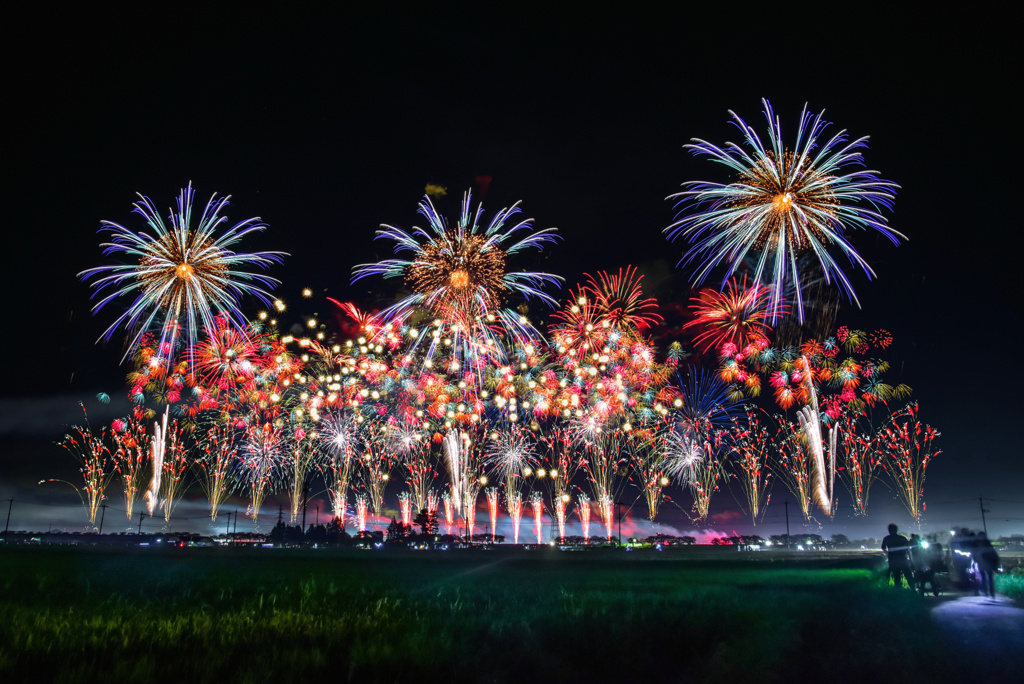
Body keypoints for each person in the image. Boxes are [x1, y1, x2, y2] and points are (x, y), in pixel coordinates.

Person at [881, 524, 912, 589]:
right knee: (908, 576)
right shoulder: (902, 538)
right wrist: (910, 559)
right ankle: (913, 590)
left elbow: (883, 548)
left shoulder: (887, 538)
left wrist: (888, 554)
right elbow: (908, 549)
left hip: (893, 560)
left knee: (896, 577)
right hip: (903, 559)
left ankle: (899, 591)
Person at [974, 533, 1000, 598]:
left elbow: (975, 556)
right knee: (989, 578)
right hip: (988, 564)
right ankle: (991, 592)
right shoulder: (988, 545)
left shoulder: (978, 545)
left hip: (982, 564)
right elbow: (994, 555)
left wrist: (977, 560)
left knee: (984, 578)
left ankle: (986, 591)